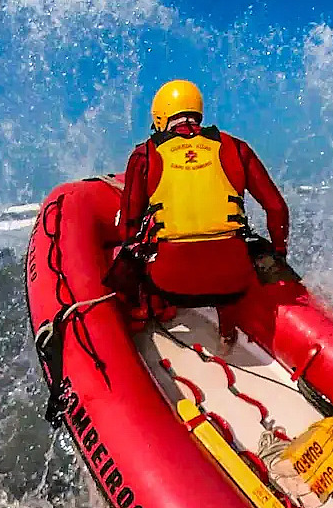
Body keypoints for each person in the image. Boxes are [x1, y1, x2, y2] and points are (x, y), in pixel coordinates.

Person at [116, 79, 290, 354]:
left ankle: (151, 312)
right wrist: (279, 252)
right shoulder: (236, 147)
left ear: (160, 116)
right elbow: (277, 208)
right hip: (233, 281)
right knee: (231, 248)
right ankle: (227, 332)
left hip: (169, 281)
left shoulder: (144, 155)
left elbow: (128, 225)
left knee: (137, 250)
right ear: (198, 113)